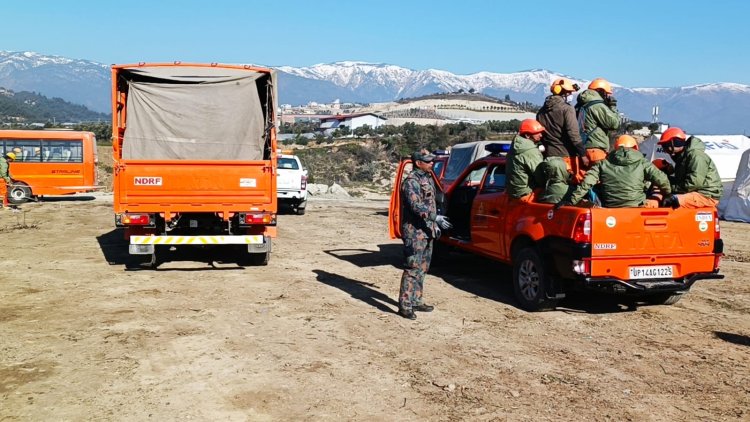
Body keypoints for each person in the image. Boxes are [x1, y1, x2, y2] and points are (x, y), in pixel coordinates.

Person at [398, 150, 452, 320]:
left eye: (432, 161)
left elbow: (432, 202)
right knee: (412, 268)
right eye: (428, 161)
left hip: (427, 230)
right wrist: (434, 217)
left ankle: (416, 299)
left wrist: (434, 224)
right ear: (418, 163)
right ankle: (405, 305)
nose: (431, 164)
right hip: (414, 232)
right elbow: (416, 206)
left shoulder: (428, 178)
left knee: (423, 268)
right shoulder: (411, 182)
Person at [557, 135, 672, 208]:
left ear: (616, 148)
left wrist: (571, 201)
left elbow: (586, 182)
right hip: (636, 205)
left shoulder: (603, 163)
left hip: (611, 205)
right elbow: (662, 179)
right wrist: (668, 194)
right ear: (635, 148)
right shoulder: (642, 162)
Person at [536, 78, 589, 182]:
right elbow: (573, 134)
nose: (570, 95)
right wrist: (583, 154)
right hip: (566, 157)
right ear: (562, 93)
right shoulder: (567, 109)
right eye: (569, 92)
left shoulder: (541, 112)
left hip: (548, 156)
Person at [657, 127, 723, 208]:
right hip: (695, 192)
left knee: (672, 201)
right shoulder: (682, 157)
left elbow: (694, 183)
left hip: (706, 195)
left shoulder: (696, 156)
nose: (664, 149)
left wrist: (670, 187)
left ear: (674, 143)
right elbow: (681, 181)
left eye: (665, 145)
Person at [576, 78, 621, 164]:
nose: (606, 96)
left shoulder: (581, 103)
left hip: (581, 150)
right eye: (606, 94)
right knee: (598, 176)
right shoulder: (597, 105)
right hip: (596, 149)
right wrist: (612, 106)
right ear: (600, 91)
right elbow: (614, 123)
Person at [505, 119, 546, 202]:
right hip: (527, 195)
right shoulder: (530, 151)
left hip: (514, 195)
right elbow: (541, 177)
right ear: (527, 135)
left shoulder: (513, 149)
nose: (541, 135)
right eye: (537, 132)